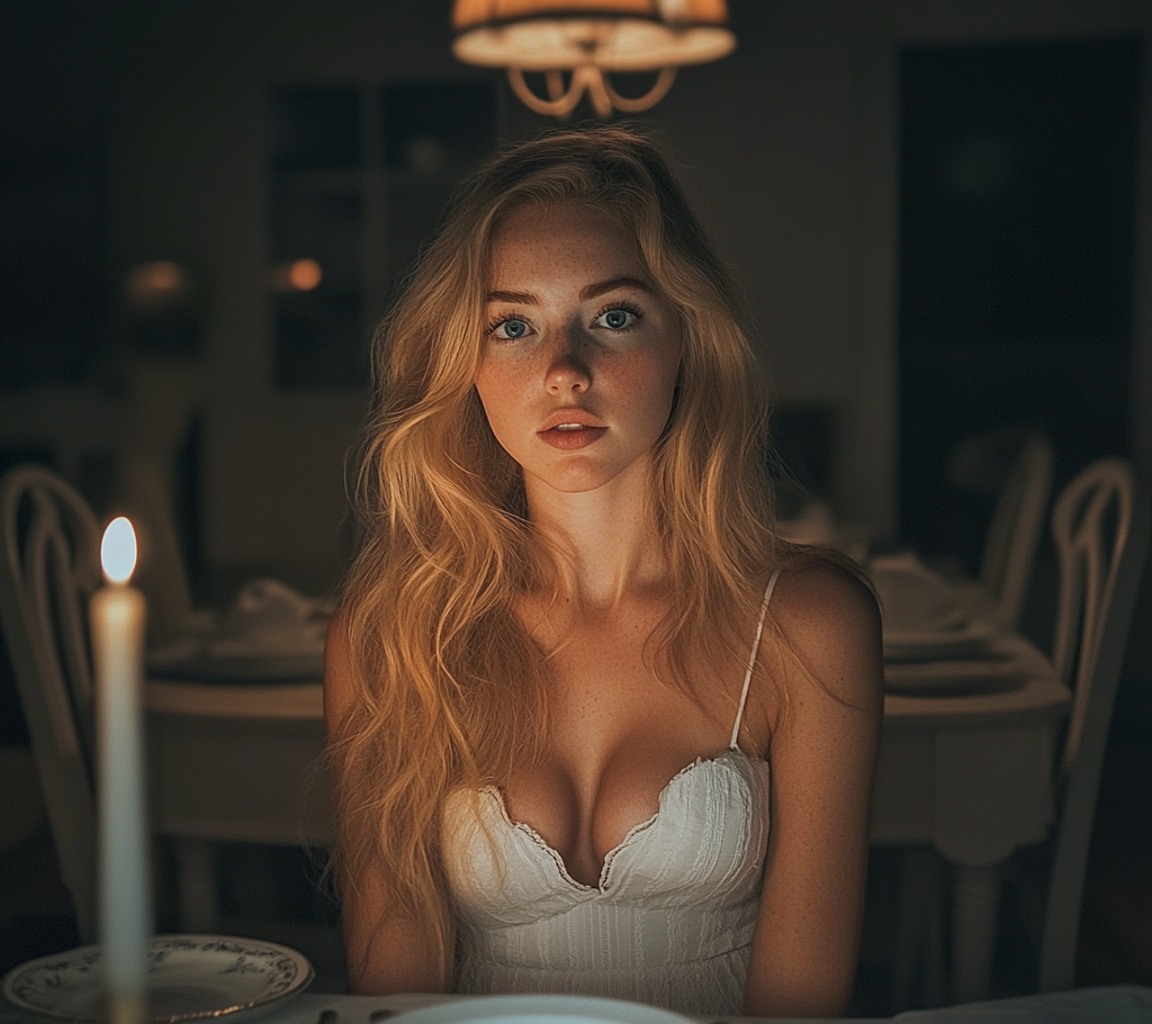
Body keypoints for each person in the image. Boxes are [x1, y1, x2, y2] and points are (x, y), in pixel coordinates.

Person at [324, 125, 884, 1019]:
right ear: (464, 368)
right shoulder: (393, 635)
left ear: (686, 342)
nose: (563, 372)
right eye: (513, 326)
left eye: (613, 316)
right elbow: (396, 991)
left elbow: (800, 1005)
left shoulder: (809, 625)